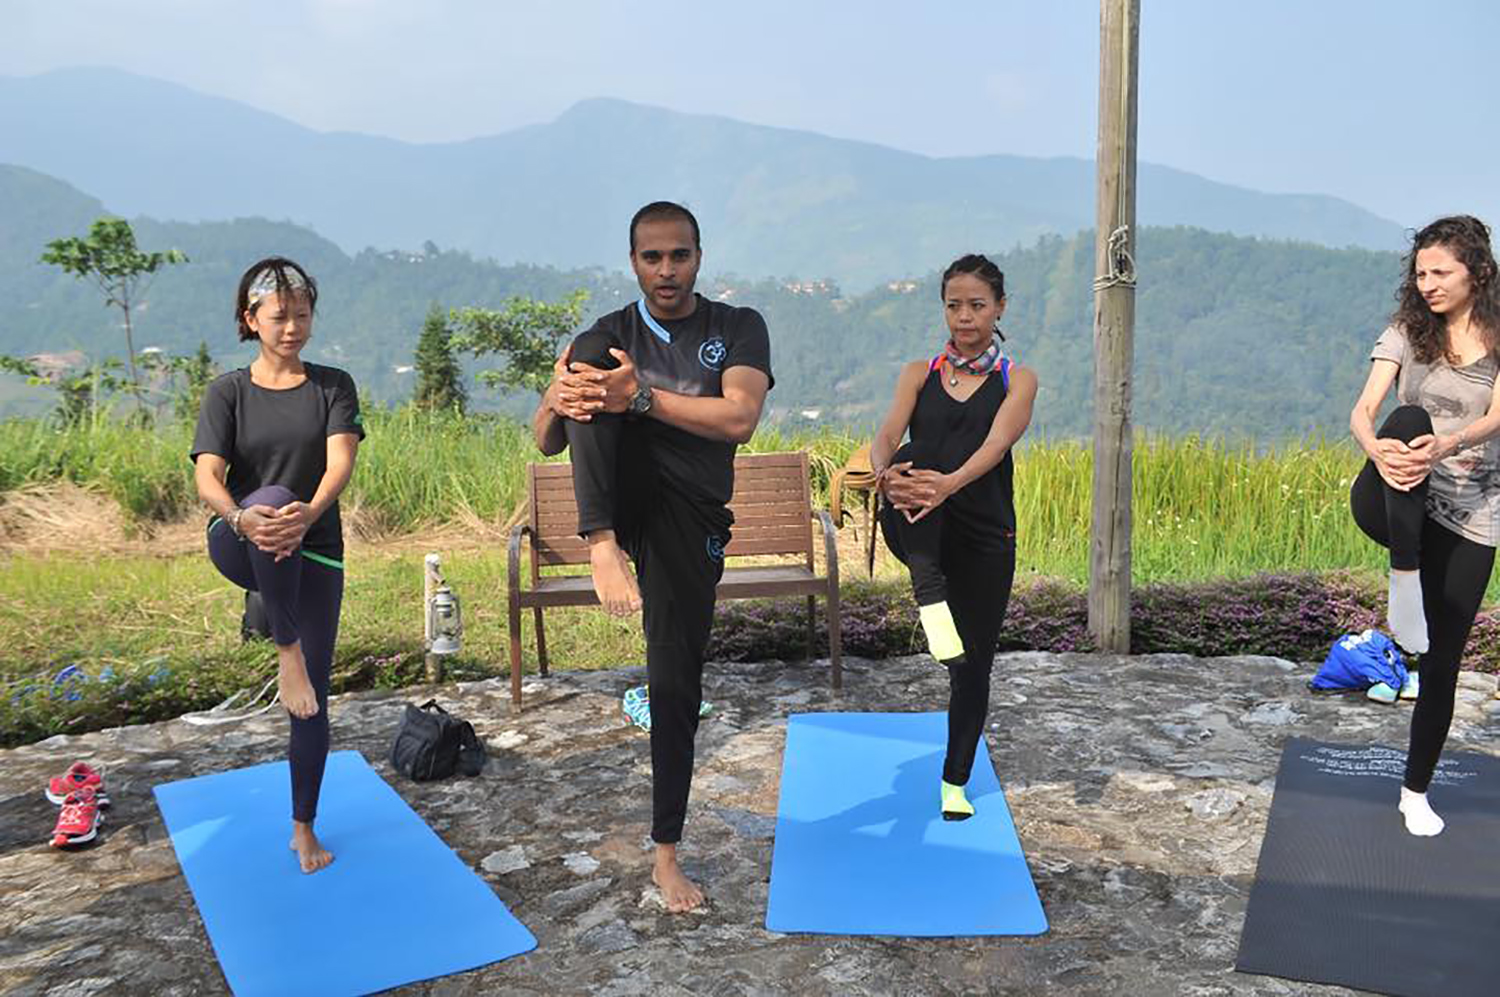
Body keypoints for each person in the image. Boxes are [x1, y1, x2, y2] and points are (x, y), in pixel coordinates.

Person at [532, 202, 773, 912]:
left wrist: (639, 398)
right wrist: (558, 394)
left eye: (679, 256)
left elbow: (740, 417)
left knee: (674, 684)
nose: (666, 270)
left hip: (689, 515)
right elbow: (549, 438)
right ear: (632, 260)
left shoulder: (737, 327)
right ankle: (600, 543)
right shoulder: (611, 333)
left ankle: (666, 854)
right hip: (622, 498)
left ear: (699, 256)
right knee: (588, 361)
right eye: (651, 257)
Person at [191, 257, 364, 872]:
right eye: (279, 316)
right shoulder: (228, 391)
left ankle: (303, 827)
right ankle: (283, 647)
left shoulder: (332, 385)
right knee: (268, 500)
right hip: (239, 536)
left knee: (314, 697)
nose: (292, 327)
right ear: (251, 320)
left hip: (314, 543)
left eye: (302, 314)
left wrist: (309, 513)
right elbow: (207, 476)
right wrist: (242, 516)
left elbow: (339, 463)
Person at [870, 253, 1037, 821]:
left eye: (977, 305)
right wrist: (884, 473)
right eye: (954, 306)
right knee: (912, 453)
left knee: (972, 667)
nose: (964, 318)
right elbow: (888, 433)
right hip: (921, 530)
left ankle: (955, 782)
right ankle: (926, 586)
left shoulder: (1017, 379)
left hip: (985, 532)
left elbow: (995, 448)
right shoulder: (918, 373)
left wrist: (950, 485)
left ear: (999, 308)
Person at [1348, 214, 1500, 837]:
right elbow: (1365, 410)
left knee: (1442, 662)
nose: (1429, 284)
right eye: (1421, 273)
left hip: (1472, 511)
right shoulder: (1407, 332)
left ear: (1478, 273)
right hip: (1389, 493)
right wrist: (1379, 446)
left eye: (1442, 272)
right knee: (1406, 415)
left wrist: (1450, 443)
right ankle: (1402, 574)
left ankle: (1415, 791)